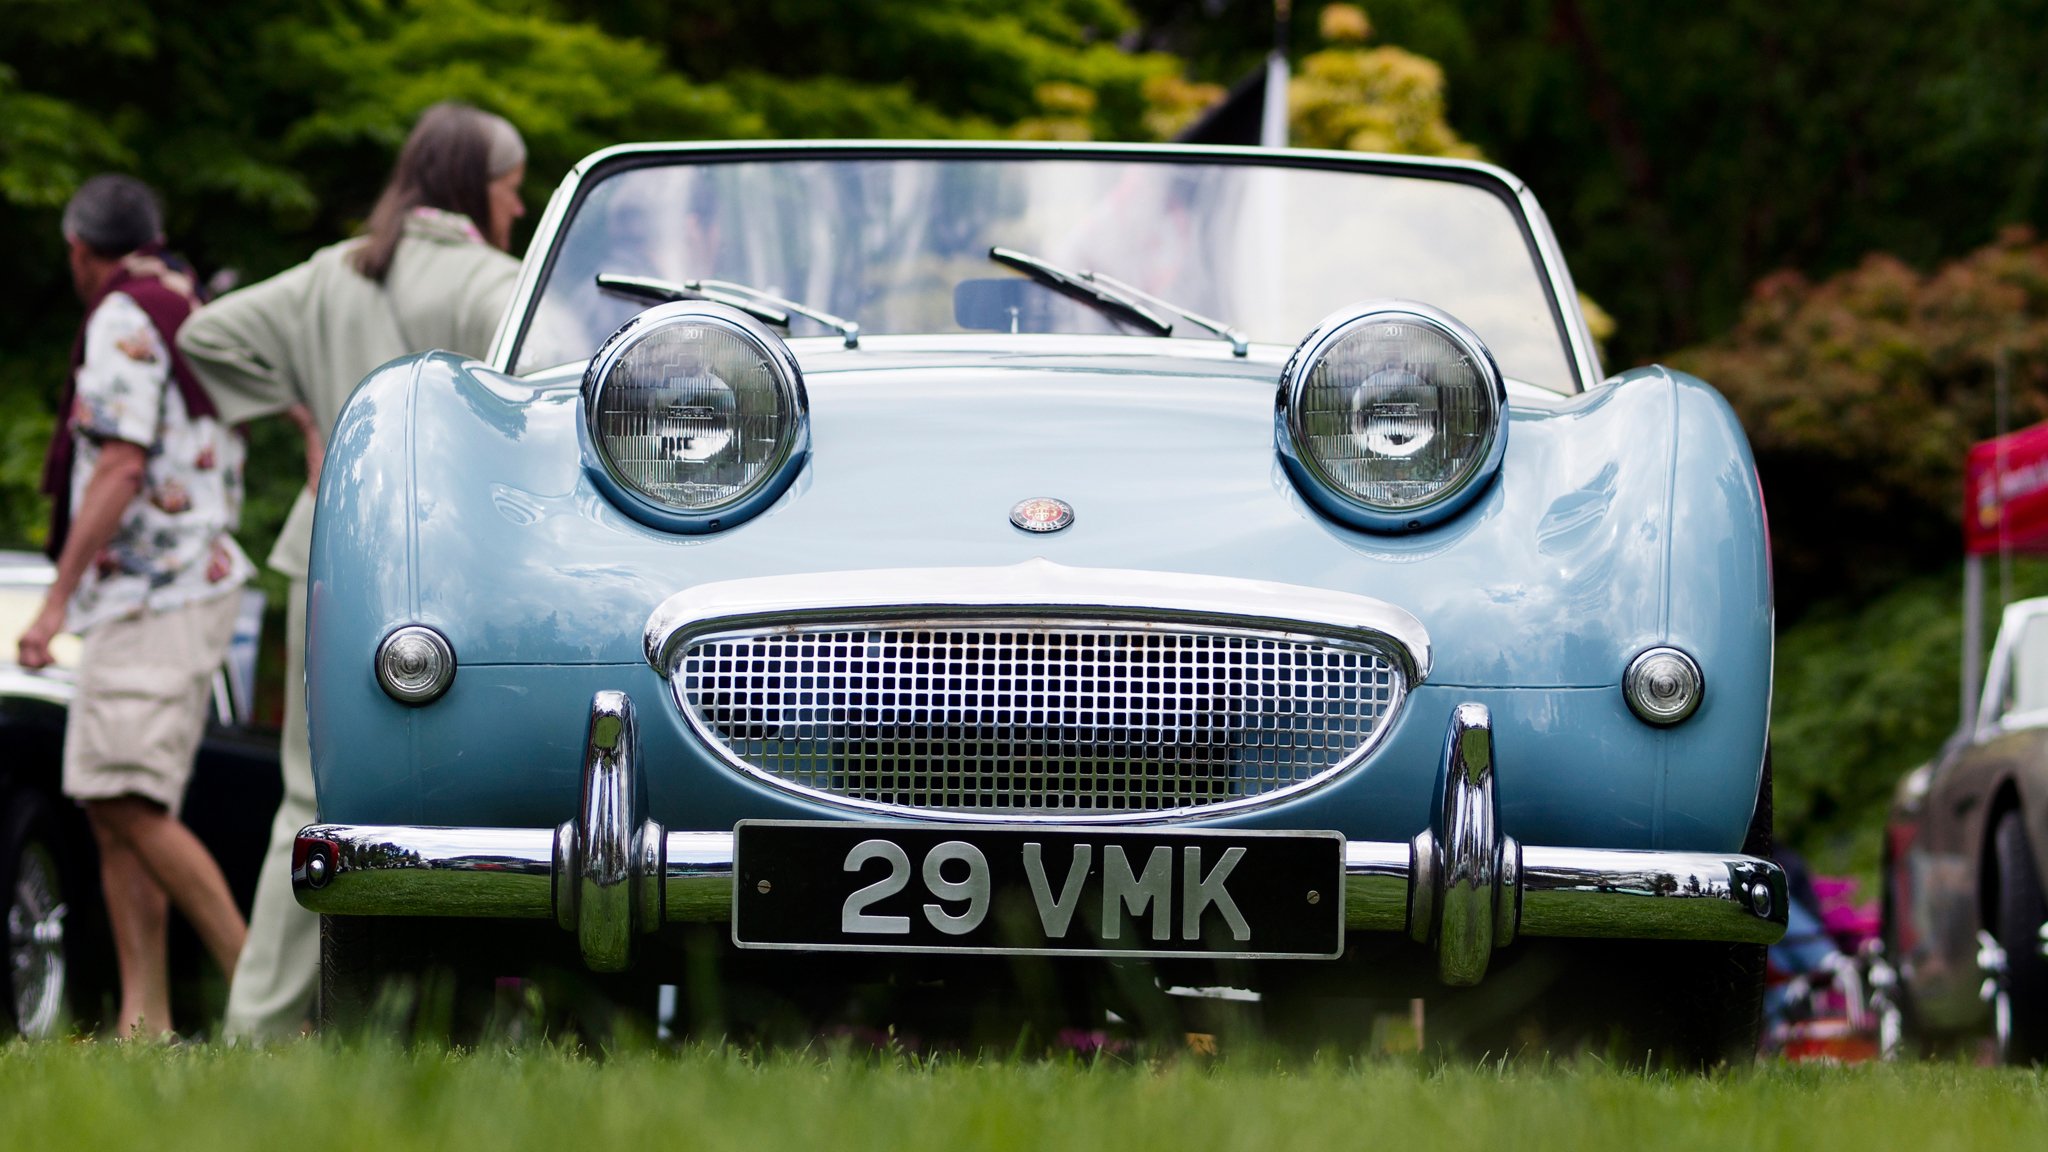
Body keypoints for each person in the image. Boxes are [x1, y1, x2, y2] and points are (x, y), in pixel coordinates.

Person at [178, 101, 527, 1041]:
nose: (521, 206)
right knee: (470, 802)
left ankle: (261, 1025)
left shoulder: (334, 272)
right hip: (458, 583)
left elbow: (205, 335)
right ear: (476, 189)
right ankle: (427, 1029)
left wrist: (305, 413)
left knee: (310, 793)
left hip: (330, 557)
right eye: (510, 187)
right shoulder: (499, 286)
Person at [17, 173, 256, 1038]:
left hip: (159, 589)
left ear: (81, 250)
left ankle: (261, 996)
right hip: (182, 585)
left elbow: (120, 467)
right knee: (120, 806)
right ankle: (143, 1020)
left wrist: (50, 606)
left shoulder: (124, 314)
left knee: (120, 799)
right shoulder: (190, 303)